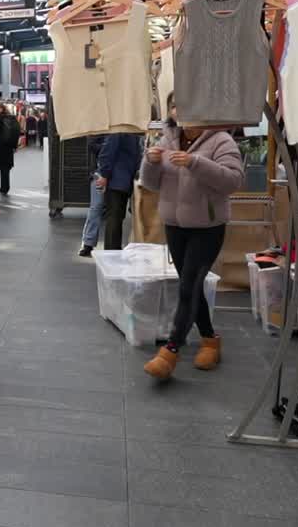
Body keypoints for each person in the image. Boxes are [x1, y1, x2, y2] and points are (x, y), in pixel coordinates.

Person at [138, 92, 244, 380]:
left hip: (207, 226)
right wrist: (150, 162)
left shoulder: (222, 141)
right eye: (175, 107)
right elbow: (150, 184)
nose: (179, 112)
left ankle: (172, 349)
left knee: (189, 285)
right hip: (175, 224)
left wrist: (196, 163)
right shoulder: (167, 139)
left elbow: (234, 181)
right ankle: (210, 338)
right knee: (191, 285)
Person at [95, 133, 143, 250]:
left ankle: (112, 252)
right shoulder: (130, 132)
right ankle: (112, 252)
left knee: (114, 219)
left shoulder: (119, 130)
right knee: (115, 219)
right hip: (122, 180)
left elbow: (108, 151)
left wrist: (104, 174)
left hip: (117, 180)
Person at [79, 134, 107, 257]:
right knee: (96, 207)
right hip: (99, 171)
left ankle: (88, 243)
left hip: (105, 170)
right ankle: (88, 243)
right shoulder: (97, 124)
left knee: (98, 208)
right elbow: (91, 144)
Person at [0, 101, 20, 195]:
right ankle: (4, 188)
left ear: (0, 109)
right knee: (5, 170)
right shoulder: (11, 118)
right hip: (8, 149)